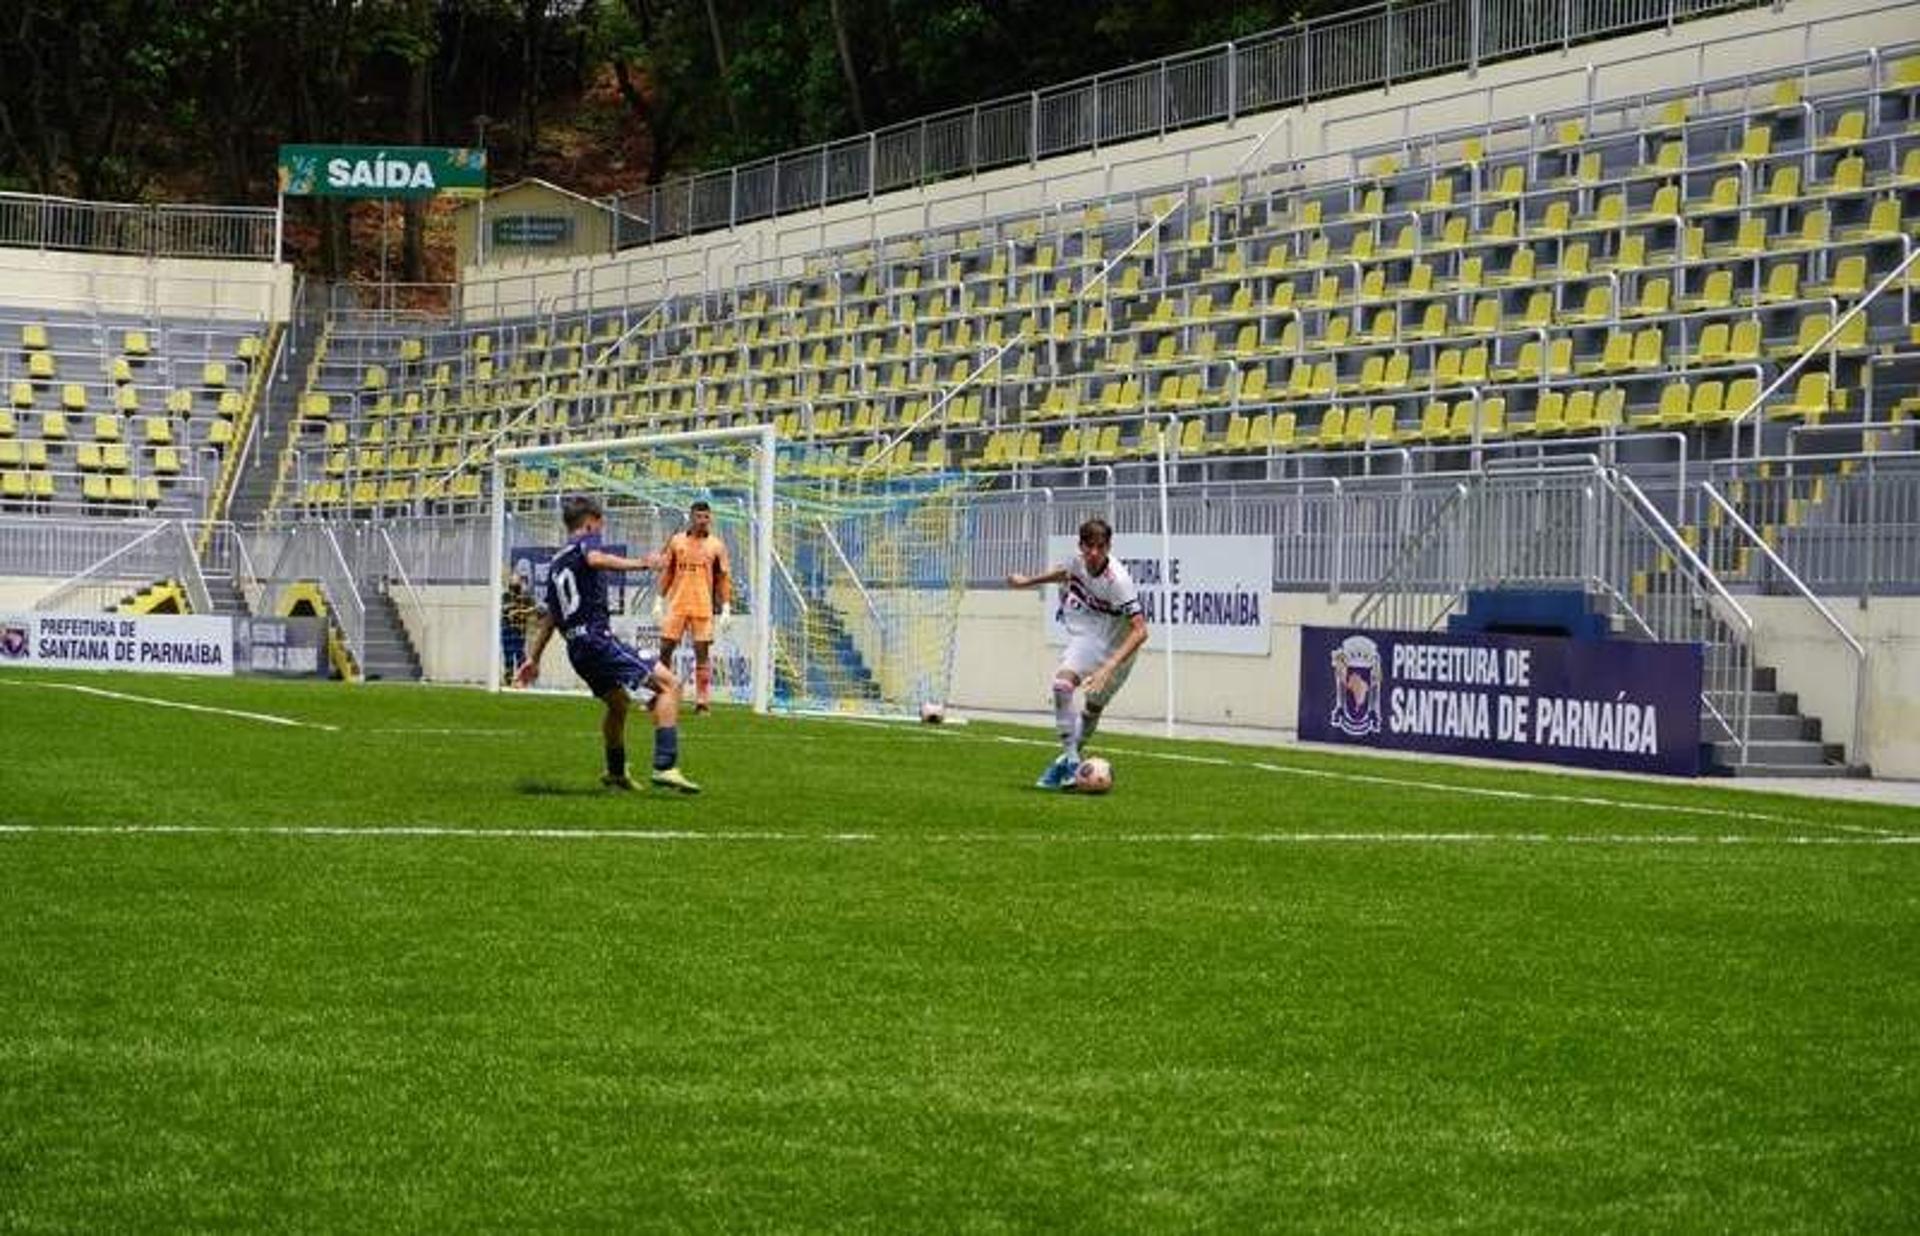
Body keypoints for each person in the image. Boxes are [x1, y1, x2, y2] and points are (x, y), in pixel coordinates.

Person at [516, 495, 701, 793]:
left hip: (577, 649)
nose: (601, 533)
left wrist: (533, 658)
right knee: (670, 684)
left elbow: (551, 617)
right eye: (600, 527)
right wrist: (643, 562)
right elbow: (595, 558)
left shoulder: (557, 562)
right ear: (589, 524)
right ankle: (666, 766)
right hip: (596, 641)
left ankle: (616, 772)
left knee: (618, 703)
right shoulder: (586, 544)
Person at [1005, 517, 1149, 790]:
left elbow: (1140, 631)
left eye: (1100, 546)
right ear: (1081, 546)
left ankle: (1061, 764)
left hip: (1120, 648)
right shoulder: (1078, 562)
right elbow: (1064, 573)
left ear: (1108, 547)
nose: (1094, 553)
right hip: (1091, 637)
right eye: (1089, 546)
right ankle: (1072, 761)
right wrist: (1027, 581)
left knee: (1093, 707)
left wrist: (1108, 668)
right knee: (1061, 686)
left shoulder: (1118, 581)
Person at [653, 499, 732, 714]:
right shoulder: (677, 541)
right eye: (699, 516)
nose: (703, 520)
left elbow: (723, 578)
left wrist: (726, 607)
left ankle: (702, 702)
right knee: (665, 650)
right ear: (691, 517)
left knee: (702, 653)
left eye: (706, 517)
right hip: (677, 604)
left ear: (710, 518)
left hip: (702, 606)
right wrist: (659, 600)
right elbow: (668, 572)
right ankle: (661, 694)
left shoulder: (716, 546)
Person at [500, 572, 536, 685]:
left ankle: (522, 679)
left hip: (519, 629)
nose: (514, 582)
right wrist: (514, 608)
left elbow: (534, 609)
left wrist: (521, 611)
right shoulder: (506, 595)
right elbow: (505, 609)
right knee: (508, 655)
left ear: (520, 582)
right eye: (512, 580)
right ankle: (508, 679)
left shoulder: (526, 596)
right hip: (507, 628)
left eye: (517, 580)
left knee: (520, 654)